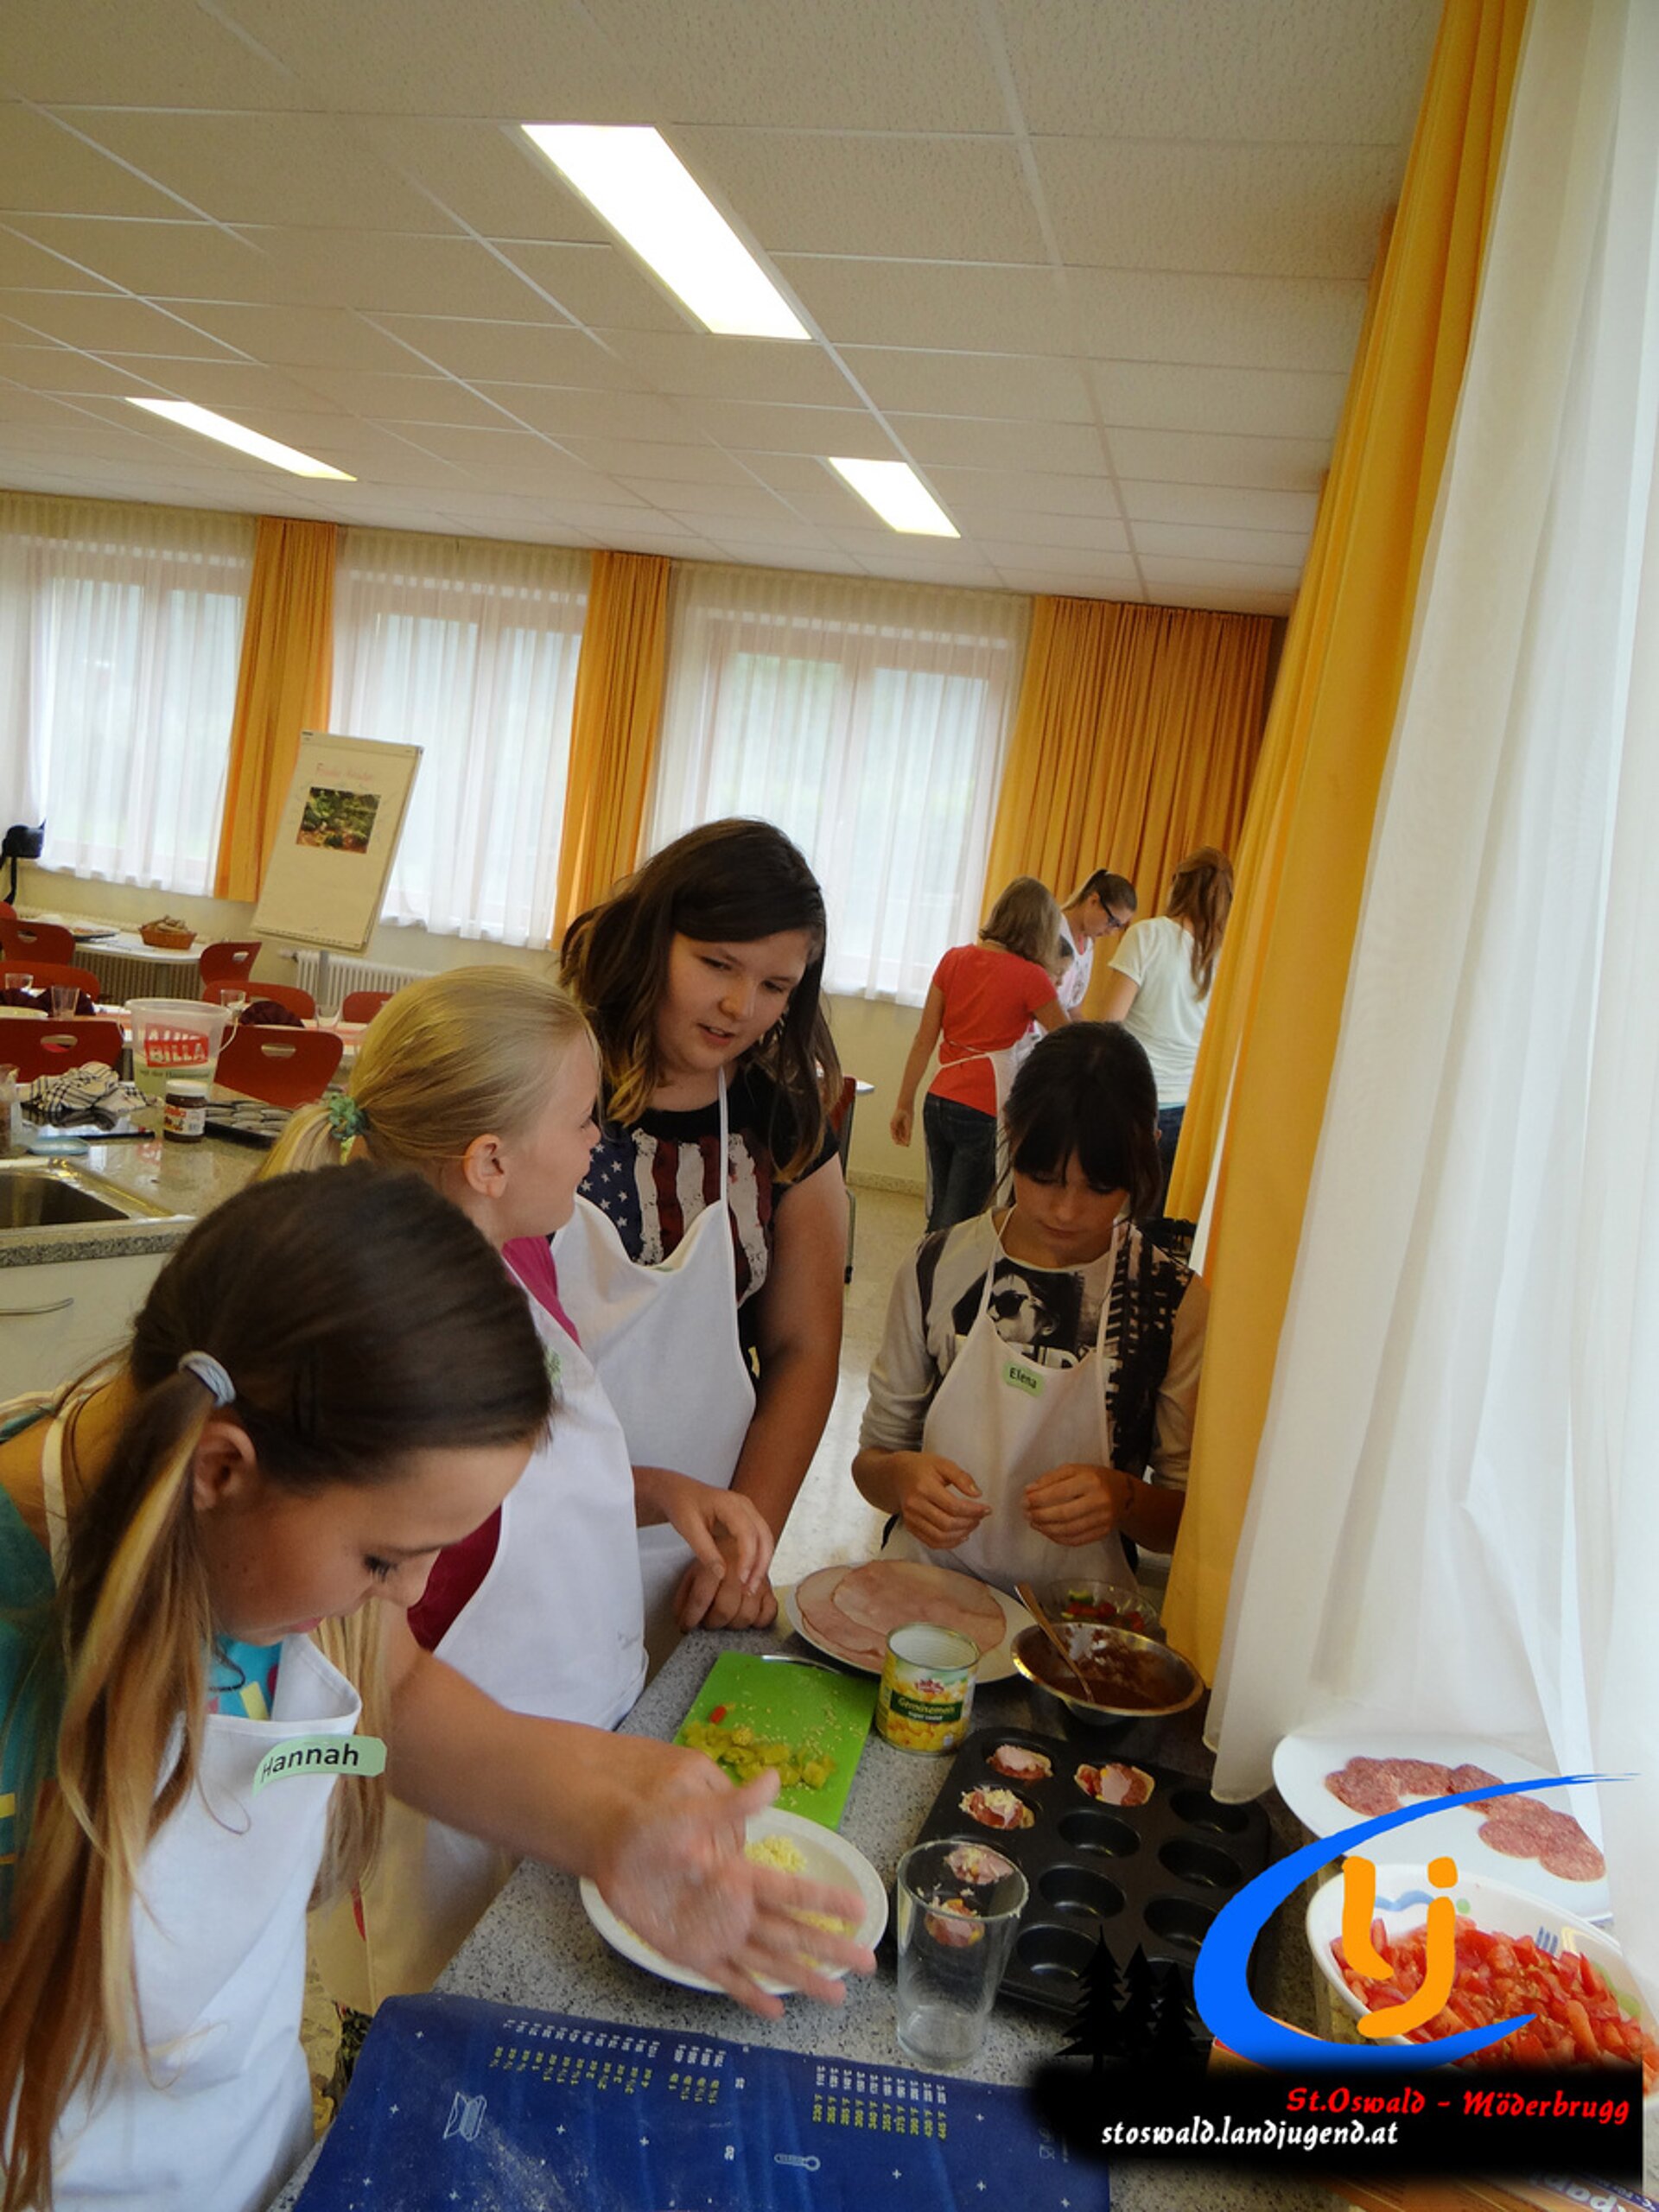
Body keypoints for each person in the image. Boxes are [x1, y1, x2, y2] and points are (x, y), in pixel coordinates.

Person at [0, 1167, 869, 2212]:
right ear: (220, 1470)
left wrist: (604, 1817)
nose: (407, 1595)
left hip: (250, 2152)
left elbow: (393, 1704)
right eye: (383, 1559)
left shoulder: (262, 1531)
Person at [264, 969, 771, 2011]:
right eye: (583, 1119)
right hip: (458, 1780)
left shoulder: (523, 1258)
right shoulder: (396, 1351)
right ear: (490, 1160)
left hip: (579, 1730)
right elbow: (378, 1657)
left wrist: (656, 1491)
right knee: (442, 2003)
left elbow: (528, 1487)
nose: (599, 1140)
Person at [558, 819, 849, 1657]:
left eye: (774, 984)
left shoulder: (783, 1127)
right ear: (654, 938)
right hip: (519, 1507)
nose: (739, 1006)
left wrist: (743, 1544)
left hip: (695, 1535)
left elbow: (803, 1349)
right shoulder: (547, 1080)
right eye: (717, 964)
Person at [855, 1023, 1206, 1595]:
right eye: (1043, 1178)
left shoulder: (1173, 1301)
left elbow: (1181, 1521)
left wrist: (1123, 1498)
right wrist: (899, 1478)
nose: (1066, 1210)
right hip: (927, 1586)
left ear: (1146, 1150)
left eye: (1099, 1188)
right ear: (1011, 1133)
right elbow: (871, 1463)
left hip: (1076, 1613)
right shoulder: (938, 1266)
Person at [890, 876, 1068, 1235]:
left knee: (940, 1209)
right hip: (984, 1105)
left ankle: (927, 1266)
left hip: (938, 1099)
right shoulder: (1032, 977)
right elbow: (1069, 1041)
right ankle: (939, 1270)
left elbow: (924, 1040)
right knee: (961, 1222)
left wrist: (904, 1103)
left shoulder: (953, 959)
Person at [1098, 846, 1234, 1198]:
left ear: (1177, 885)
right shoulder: (1225, 956)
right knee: (1155, 1221)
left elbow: (1109, 1025)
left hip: (1134, 1101)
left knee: (1106, 1213)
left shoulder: (1148, 936)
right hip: (1187, 1108)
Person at [1054, 868, 1138, 1014]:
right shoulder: (1053, 930)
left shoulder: (1088, 945)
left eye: (1119, 926)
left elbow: (1074, 1007)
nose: (1111, 932)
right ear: (1093, 901)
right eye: (1112, 921)